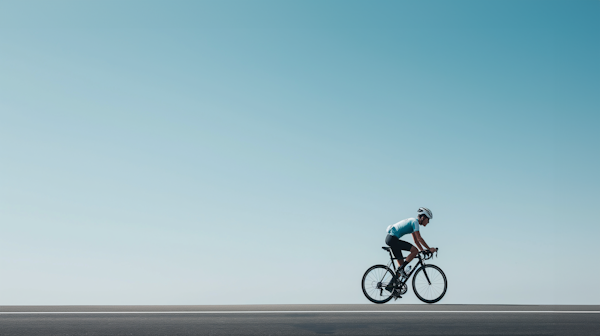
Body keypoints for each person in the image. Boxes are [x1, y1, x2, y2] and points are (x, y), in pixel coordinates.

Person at [384, 207, 437, 292]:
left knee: (401, 268)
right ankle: (401, 269)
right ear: (423, 217)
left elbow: (416, 240)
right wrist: (429, 248)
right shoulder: (415, 222)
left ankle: (390, 287)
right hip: (392, 239)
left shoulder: (413, 223)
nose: (428, 222)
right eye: (428, 219)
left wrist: (423, 250)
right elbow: (419, 238)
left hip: (391, 239)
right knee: (414, 251)